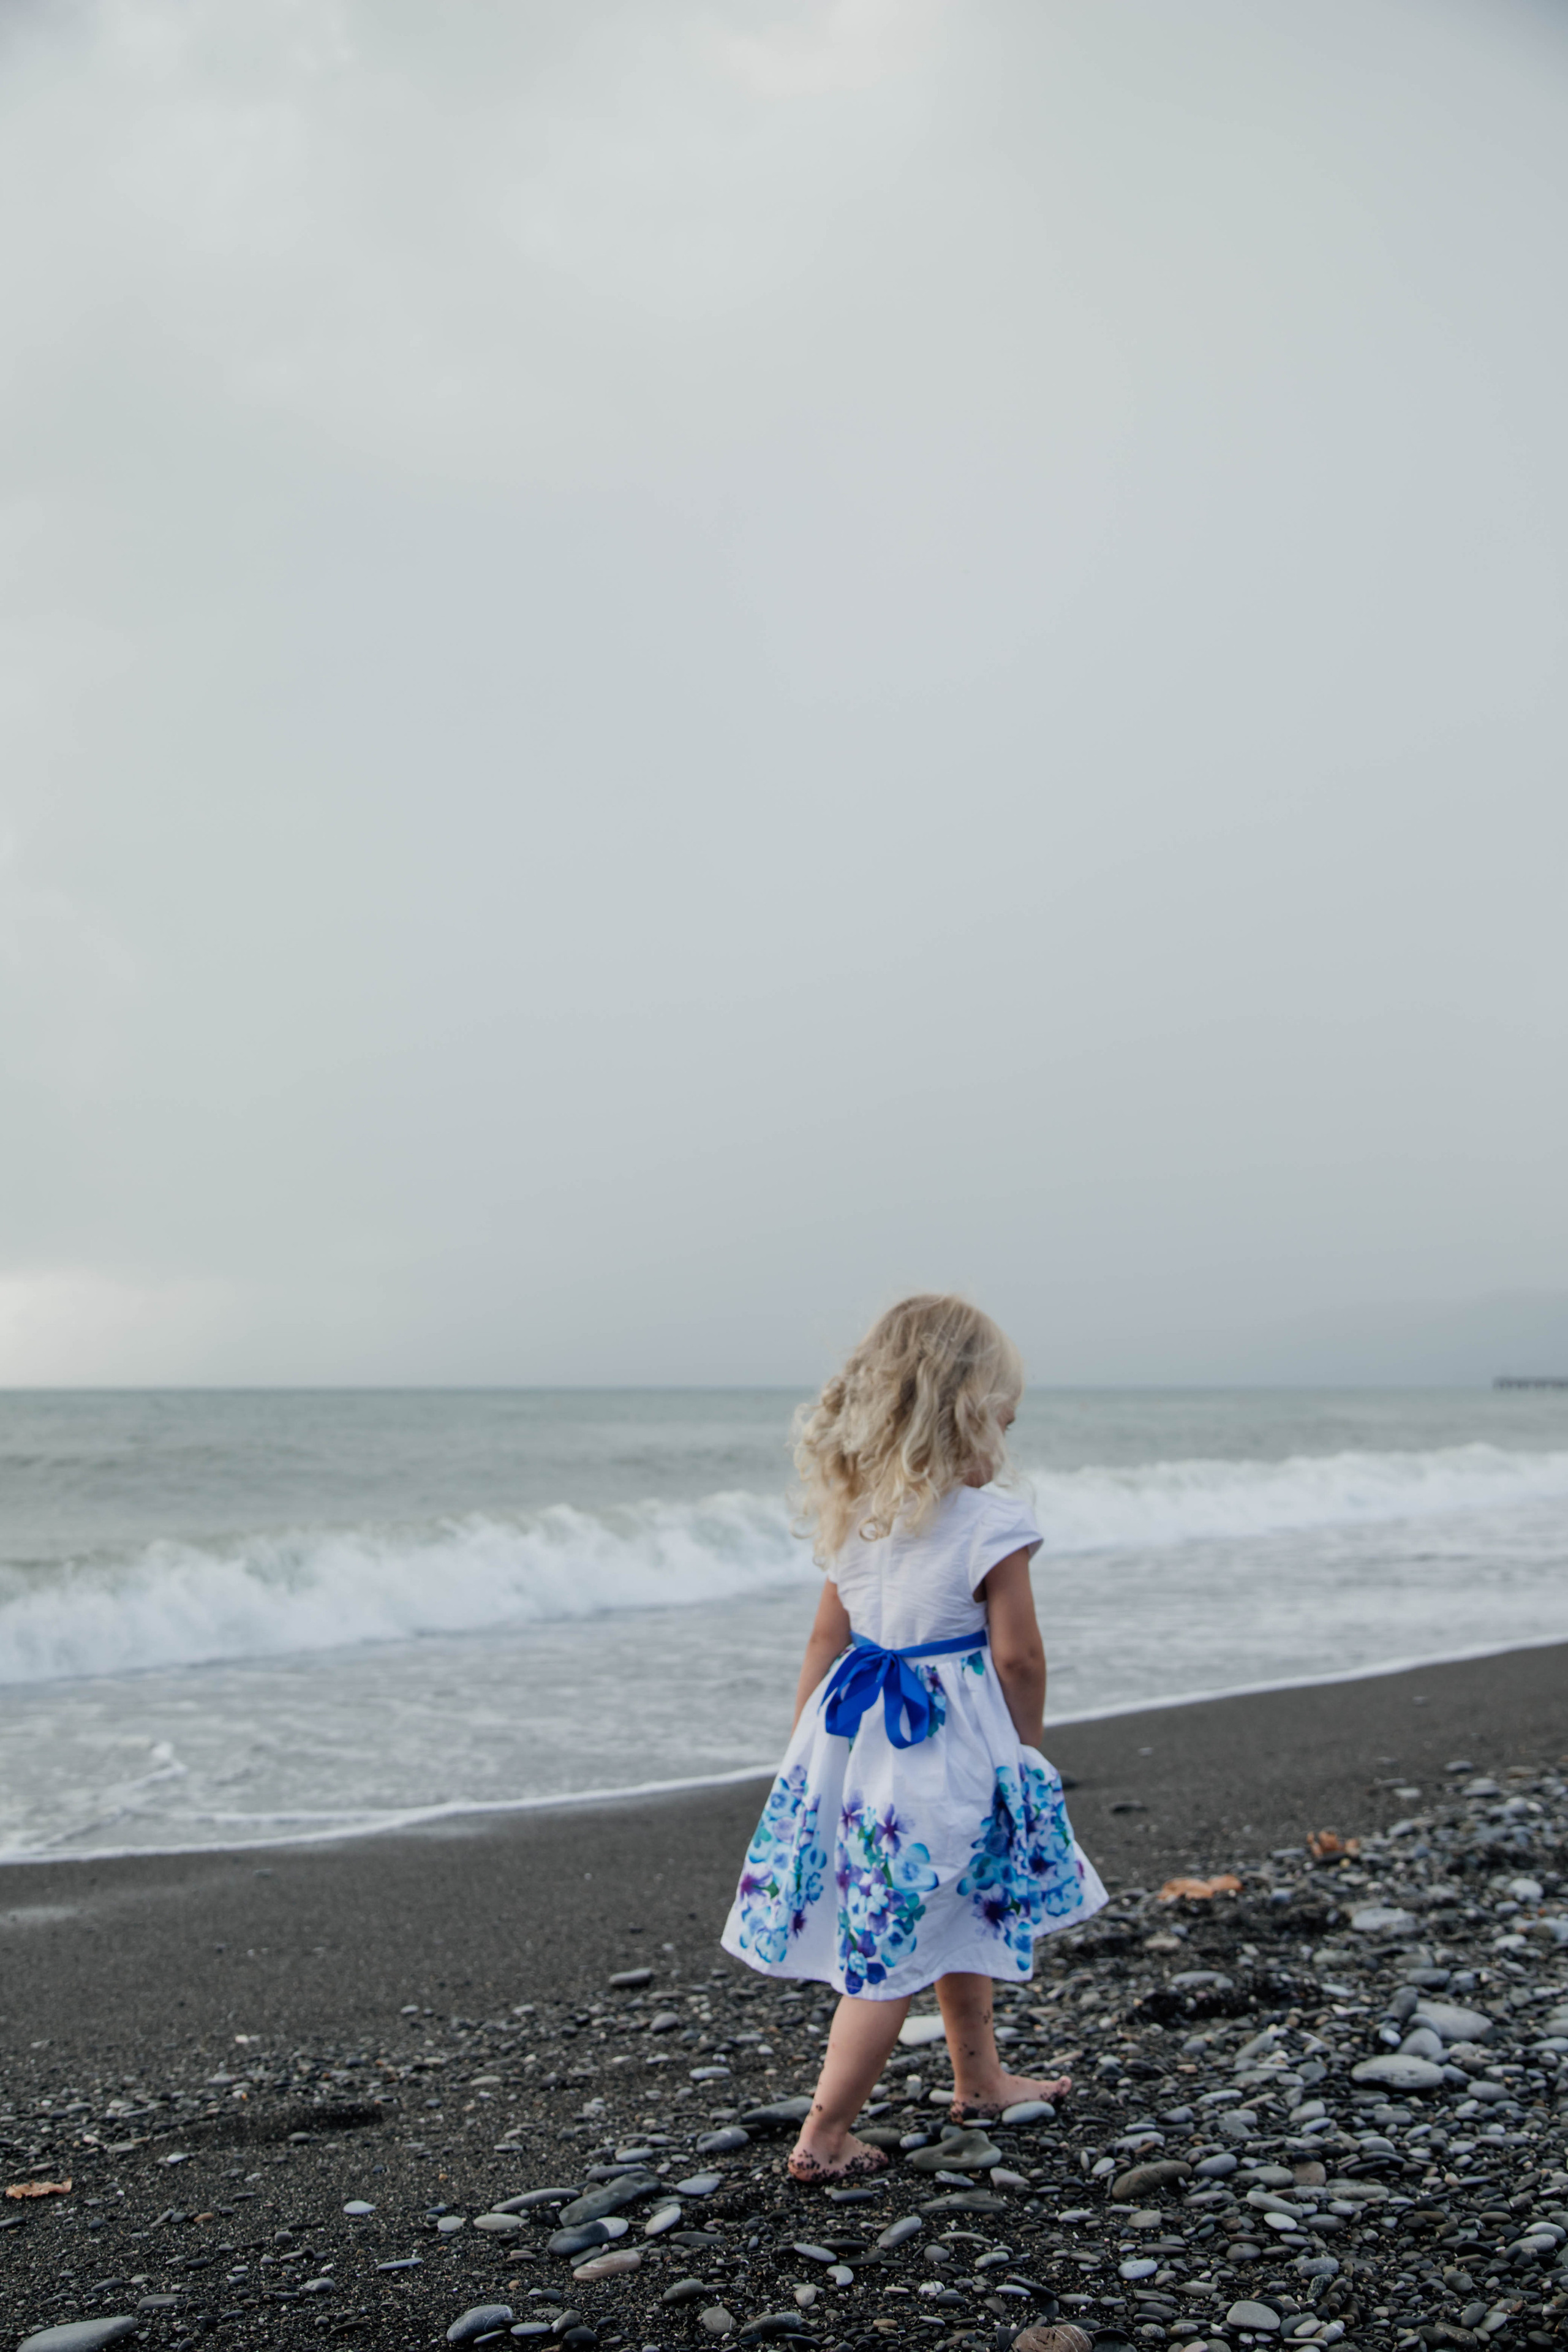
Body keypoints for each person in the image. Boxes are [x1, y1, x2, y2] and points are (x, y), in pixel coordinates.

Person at [720, 1293, 1106, 2183]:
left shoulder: (856, 1516)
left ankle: (981, 2079)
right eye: (1002, 1422)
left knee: (951, 1913)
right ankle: (823, 2135)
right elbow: (1020, 1660)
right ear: (968, 1415)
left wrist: (802, 1754)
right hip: (951, 1754)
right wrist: (1027, 1754)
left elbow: (826, 1641)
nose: (1003, 1442)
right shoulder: (992, 1523)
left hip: (859, 1748)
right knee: (888, 1957)